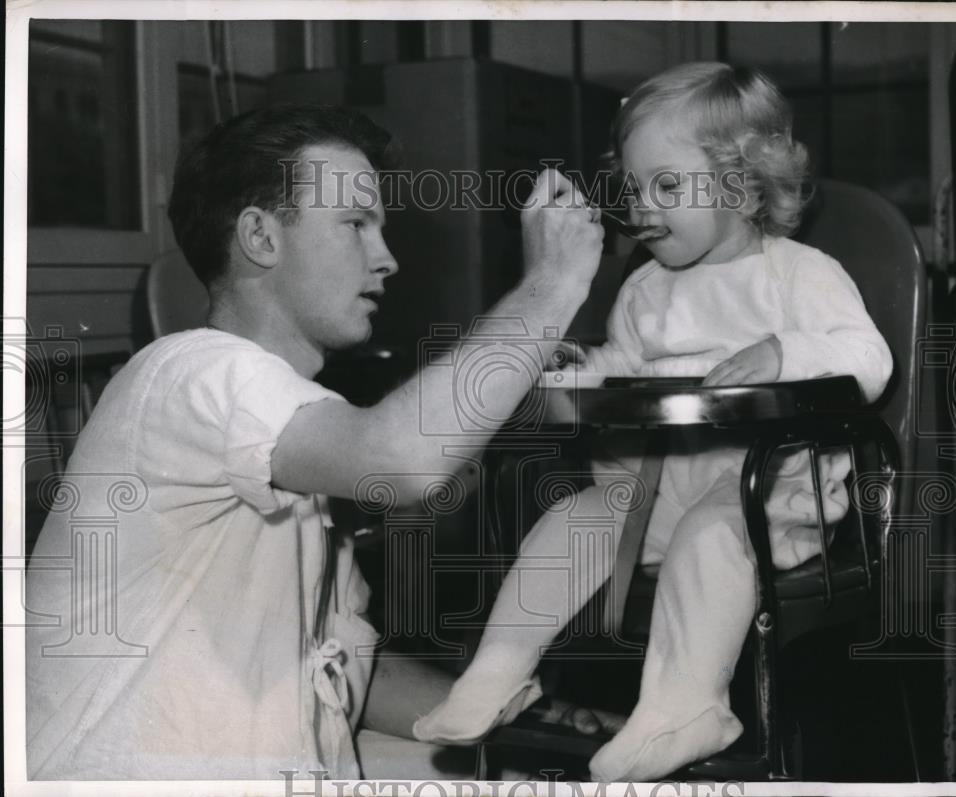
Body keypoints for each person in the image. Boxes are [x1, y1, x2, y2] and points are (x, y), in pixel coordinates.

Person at [25, 105, 607, 780]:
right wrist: (553, 283)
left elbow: (333, 660)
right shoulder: (193, 369)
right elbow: (404, 460)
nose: (386, 259)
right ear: (261, 237)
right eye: (355, 224)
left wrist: (499, 708)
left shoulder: (295, 436)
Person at [412, 62, 894, 782]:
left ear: (740, 183)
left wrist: (784, 351)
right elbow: (623, 363)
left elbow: (870, 358)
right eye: (633, 188)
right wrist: (579, 373)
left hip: (765, 509)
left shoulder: (798, 274)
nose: (642, 206)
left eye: (667, 186)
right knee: (580, 515)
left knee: (712, 528)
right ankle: (500, 670)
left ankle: (687, 704)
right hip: (655, 497)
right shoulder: (644, 288)